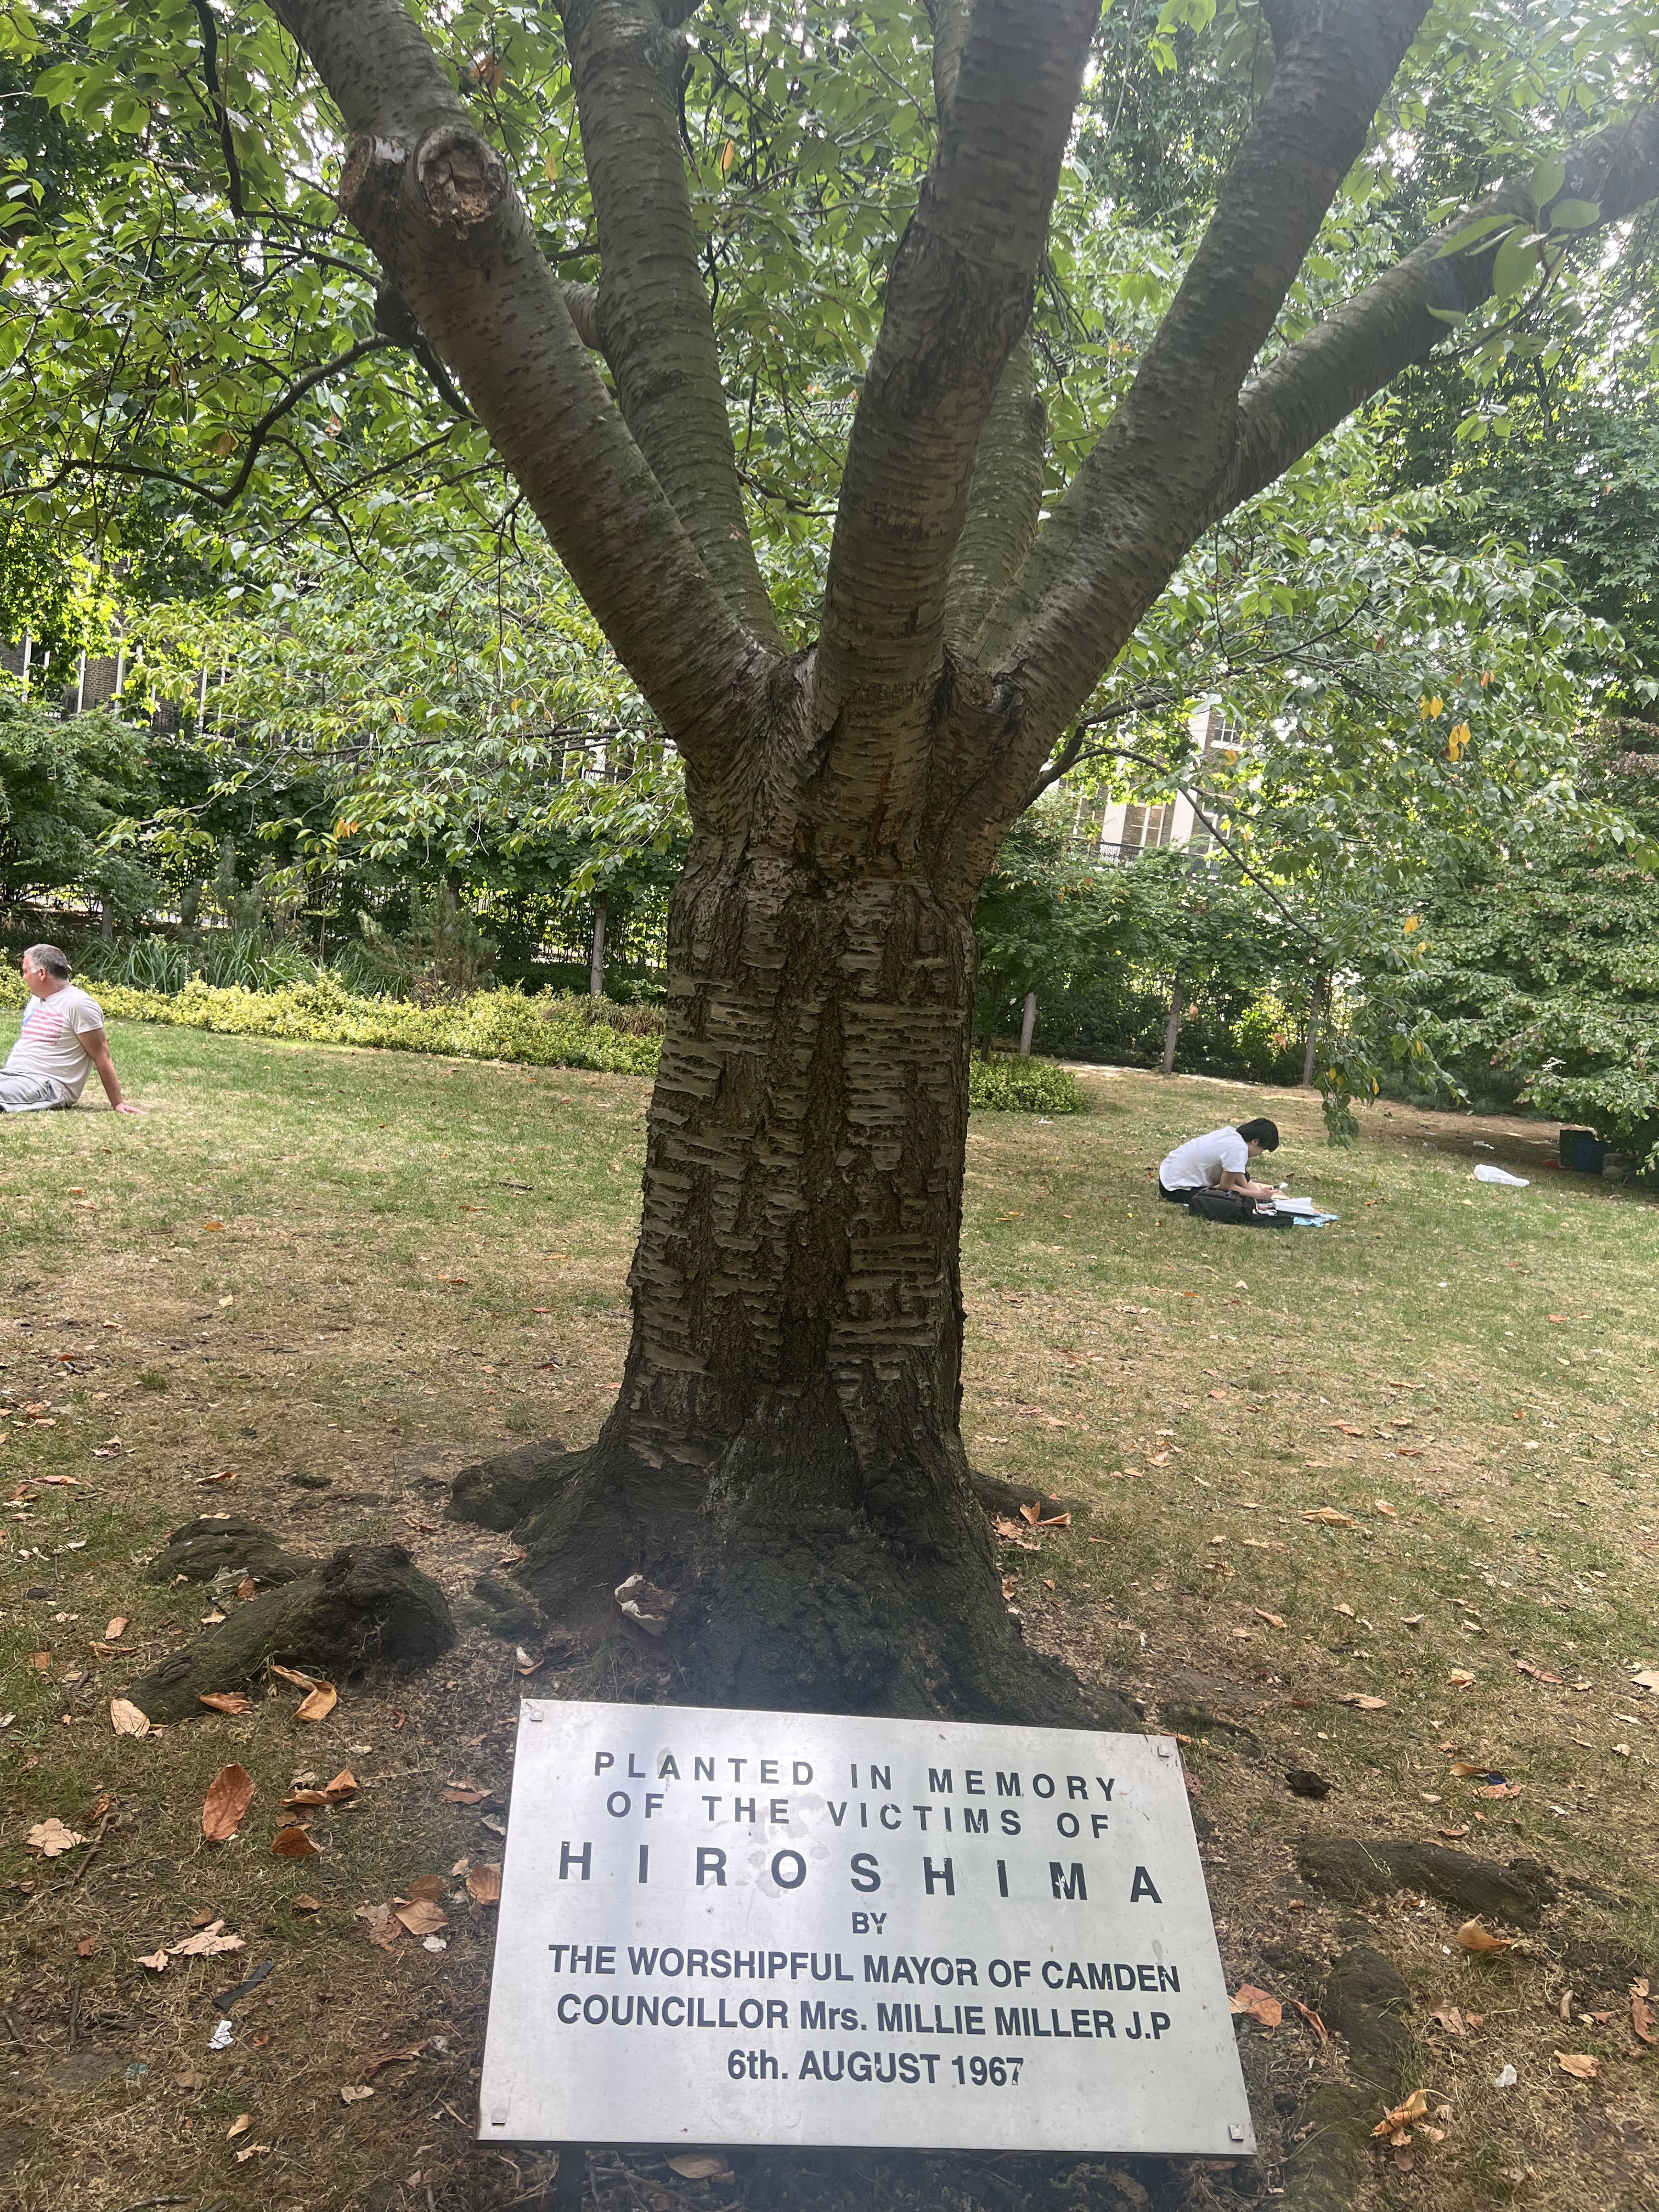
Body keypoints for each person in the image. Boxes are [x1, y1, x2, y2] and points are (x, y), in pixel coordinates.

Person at [1, 945, 136, 1114]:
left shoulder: (79, 1005)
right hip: (12, 1076)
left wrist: (117, 1103)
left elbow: (101, 1054)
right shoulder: (37, 1000)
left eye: (26, 971)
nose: (23, 977)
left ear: (42, 973)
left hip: (47, 1084)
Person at [1157, 1115, 1278, 1202]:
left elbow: (1238, 1174)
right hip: (1175, 1190)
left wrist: (1258, 1195)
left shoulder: (1231, 1133)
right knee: (1231, 1200)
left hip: (1167, 1177)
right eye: (1263, 1149)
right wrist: (1257, 1195)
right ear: (1255, 1141)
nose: (1260, 1154)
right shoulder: (1238, 1149)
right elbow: (1226, 1187)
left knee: (1238, 1181)